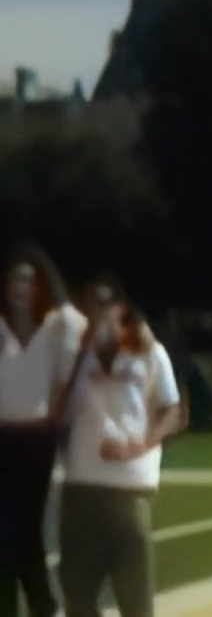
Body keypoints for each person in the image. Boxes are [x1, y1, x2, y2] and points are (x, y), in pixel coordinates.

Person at [59, 278, 184, 617]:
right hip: (81, 489)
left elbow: (172, 410)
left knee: (136, 602)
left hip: (130, 492)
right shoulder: (73, 354)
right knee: (77, 598)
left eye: (107, 303)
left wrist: (141, 445)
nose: (100, 311)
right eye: (93, 304)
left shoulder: (149, 352)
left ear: (122, 308)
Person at [1, 246, 87, 617]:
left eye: (30, 280)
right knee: (9, 533)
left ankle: (43, 606)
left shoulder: (54, 327)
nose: (22, 286)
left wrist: (53, 282)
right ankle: (42, 606)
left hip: (37, 440)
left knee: (24, 530)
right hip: (2, 438)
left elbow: (75, 322)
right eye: (16, 278)